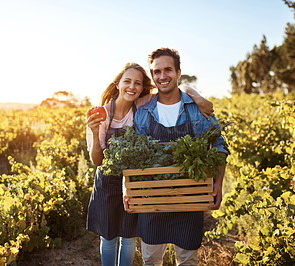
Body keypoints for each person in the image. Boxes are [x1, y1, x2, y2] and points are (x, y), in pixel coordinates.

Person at [85, 62, 214, 266]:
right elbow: (97, 161)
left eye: (137, 83)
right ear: (118, 83)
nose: (132, 87)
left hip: (134, 181)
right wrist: (93, 131)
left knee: (128, 238)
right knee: (108, 238)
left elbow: (175, 88)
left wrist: (197, 97)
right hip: (107, 184)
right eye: (127, 81)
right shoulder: (100, 115)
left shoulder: (142, 104)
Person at [129, 48, 229, 266]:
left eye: (167, 70)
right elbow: (133, 157)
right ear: (152, 75)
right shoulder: (144, 111)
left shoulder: (197, 108)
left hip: (189, 197)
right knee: (151, 259)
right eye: (156, 72)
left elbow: (219, 145)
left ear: (178, 72)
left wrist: (218, 184)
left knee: (187, 260)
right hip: (152, 200)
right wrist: (128, 189)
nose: (162, 76)